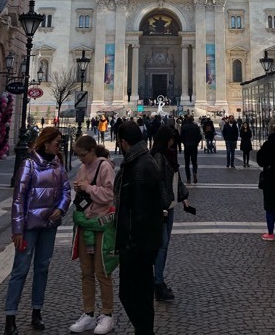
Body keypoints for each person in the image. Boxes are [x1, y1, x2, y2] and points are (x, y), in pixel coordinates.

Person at [4, 127, 71, 334]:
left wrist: (60, 209)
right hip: (28, 228)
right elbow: (18, 200)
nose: (59, 146)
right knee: (20, 269)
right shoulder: (28, 164)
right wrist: (17, 230)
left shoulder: (58, 165)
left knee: (42, 268)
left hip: (49, 227)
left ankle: (36, 312)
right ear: (46, 143)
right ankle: (10, 316)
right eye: (57, 142)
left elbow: (66, 191)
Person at [114, 121, 164, 335]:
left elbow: (139, 211)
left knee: (130, 292)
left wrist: (130, 245)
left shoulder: (140, 165)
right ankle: (144, 330)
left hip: (138, 244)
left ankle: (144, 331)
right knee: (141, 292)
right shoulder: (145, 160)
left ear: (124, 143)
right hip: (146, 242)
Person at [69, 136, 117, 334]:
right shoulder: (82, 168)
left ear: (91, 151)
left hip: (101, 224)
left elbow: (110, 195)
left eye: (82, 155)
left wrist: (88, 188)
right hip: (84, 224)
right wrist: (78, 189)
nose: (80, 159)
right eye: (77, 155)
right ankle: (88, 313)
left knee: (102, 271)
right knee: (86, 272)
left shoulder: (105, 167)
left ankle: (107, 314)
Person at [151, 125, 190, 301]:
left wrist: (183, 197)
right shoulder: (159, 157)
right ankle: (157, 282)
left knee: (163, 245)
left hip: (170, 206)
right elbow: (157, 184)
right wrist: (161, 206)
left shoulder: (170, 156)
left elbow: (176, 177)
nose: (173, 142)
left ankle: (157, 279)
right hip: (162, 208)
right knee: (161, 244)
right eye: (171, 139)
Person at [180, 114, 201, 184]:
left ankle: (188, 179)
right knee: (194, 162)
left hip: (187, 146)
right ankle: (195, 173)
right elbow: (200, 136)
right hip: (194, 146)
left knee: (187, 163)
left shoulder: (183, 127)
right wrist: (196, 142)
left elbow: (181, 137)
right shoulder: (196, 127)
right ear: (192, 120)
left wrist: (184, 143)